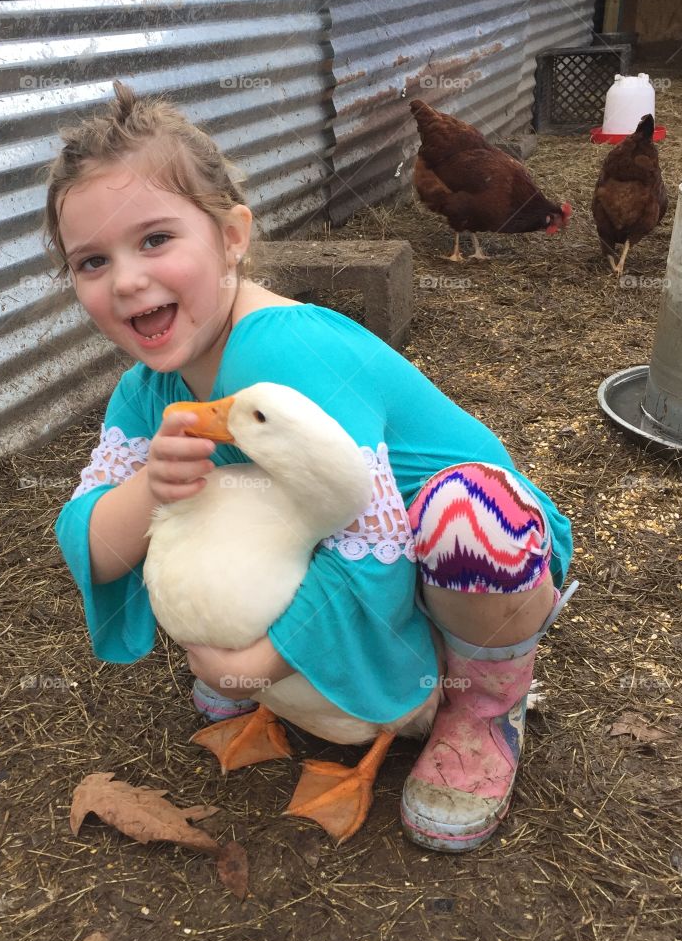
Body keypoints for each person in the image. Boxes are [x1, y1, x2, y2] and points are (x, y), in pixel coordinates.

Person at [47, 81, 576, 854]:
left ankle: (481, 707)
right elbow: (88, 541)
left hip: (479, 561)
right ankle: (307, 687)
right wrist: (146, 489)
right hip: (359, 563)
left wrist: (253, 667)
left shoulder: (282, 350)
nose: (126, 279)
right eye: (92, 261)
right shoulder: (145, 389)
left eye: (155, 240)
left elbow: (374, 542)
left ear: (232, 236)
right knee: (202, 503)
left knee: (465, 516)